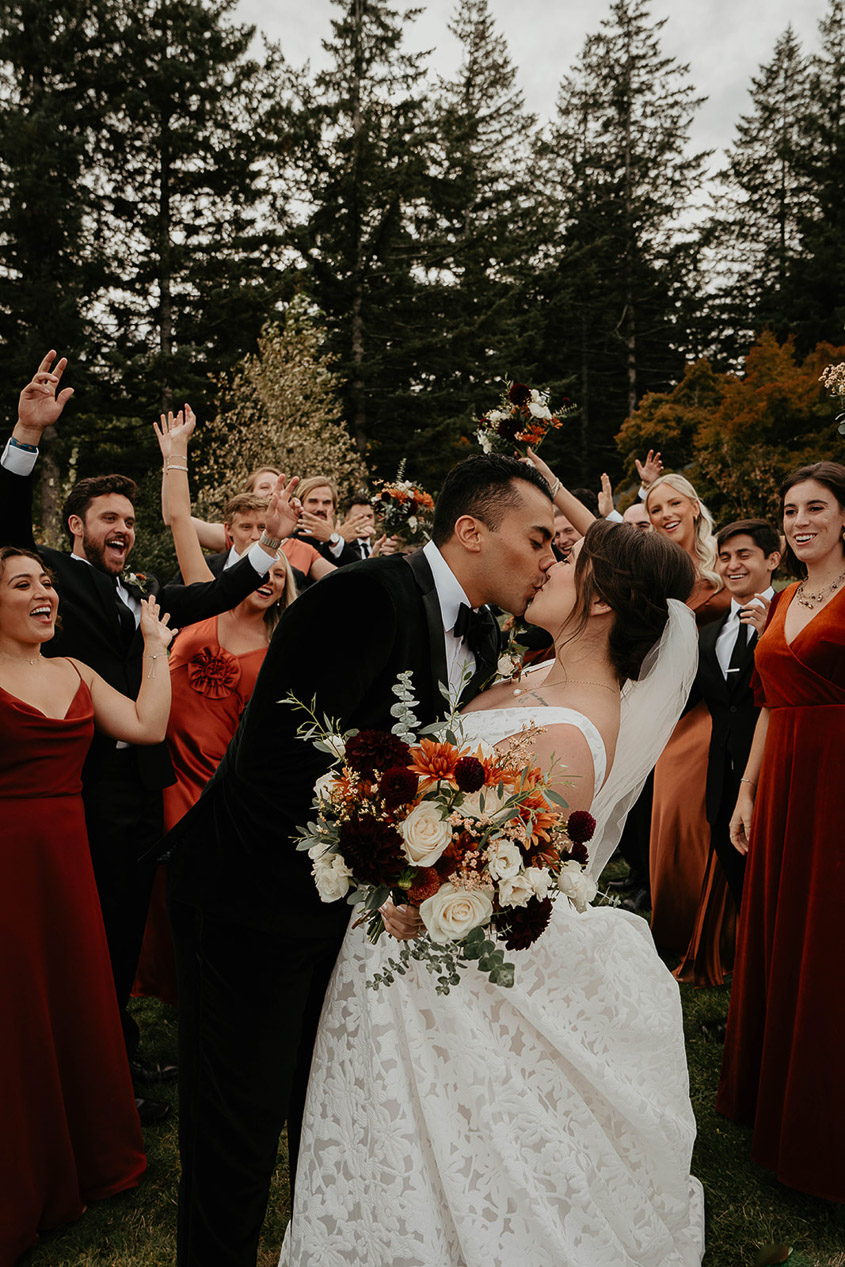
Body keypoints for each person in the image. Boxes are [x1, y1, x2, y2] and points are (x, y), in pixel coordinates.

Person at [165, 452, 556, 1267]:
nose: (550, 558)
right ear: (472, 530)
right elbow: (279, 760)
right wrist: (392, 862)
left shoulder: (482, 635)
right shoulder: (360, 597)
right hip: (250, 899)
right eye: (540, 537)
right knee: (236, 1128)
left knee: (327, 1107)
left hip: (352, 921)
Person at [280, 520, 705, 1267]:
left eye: (567, 559)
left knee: (460, 1136)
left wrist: (401, 875)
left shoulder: (576, 727)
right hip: (399, 926)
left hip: (438, 953)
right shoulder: (530, 672)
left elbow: (500, 872)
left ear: (602, 601)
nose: (545, 565)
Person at [0, 353, 300, 1120]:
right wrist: (25, 439)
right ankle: (99, 1078)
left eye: (130, 523)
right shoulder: (50, 581)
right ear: (75, 525)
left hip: (141, 787)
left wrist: (268, 545)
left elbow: (211, 591)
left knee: (123, 936)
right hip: (82, 784)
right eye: (110, 519)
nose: (124, 531)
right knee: (88, 938)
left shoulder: (136, 589)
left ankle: (118, 1054)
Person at [0, 546, 174, 1263]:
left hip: (69, 862)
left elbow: (146, 725)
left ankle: (91, 1156)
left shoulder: (75, 672)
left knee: (73, 997)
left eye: (46, 582)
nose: (44, 592)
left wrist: (155, 649)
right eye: (22, 584)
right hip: (10, 864)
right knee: (18, 1012)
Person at [134, 413, 299, 1005]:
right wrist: (175, 452)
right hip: (160, 770)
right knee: (151, 889)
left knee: (204, 894)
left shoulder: (281, 648)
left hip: (217, 786)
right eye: (261, 565)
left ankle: (207, 991)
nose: (268, 577)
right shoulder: (203, 595)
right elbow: (178, 518)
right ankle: (157, 984)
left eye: (278, 573)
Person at [717, 462, 845, 1203]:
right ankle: (774, 1101)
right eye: (790, 509)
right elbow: (769, 700)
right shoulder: (785, 596)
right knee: (784, 932)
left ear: (841, 518)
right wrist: (746, 787)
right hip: (784, 780)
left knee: (826, 940)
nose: (798, 521)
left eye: (816, 507)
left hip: (836, 784)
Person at [672, 520, 779, 988]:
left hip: (779, 774)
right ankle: (755, 989)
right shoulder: (709, 632)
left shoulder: (793, 617)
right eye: (725, 557)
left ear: (773, 560)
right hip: (722, 785)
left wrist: (773, 635)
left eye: (745, 555)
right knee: (743, 891)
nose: (733, 565)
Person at [644, 473, 730, 945]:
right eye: (656, 509)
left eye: (674, 503)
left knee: (695, 805)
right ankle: (677, 924)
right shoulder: (655, 570)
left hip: (721, 703)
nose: (665, 514)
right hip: (671, 704)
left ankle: (713, 928)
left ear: (695, 506)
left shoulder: (724, 559)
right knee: (670, 806)